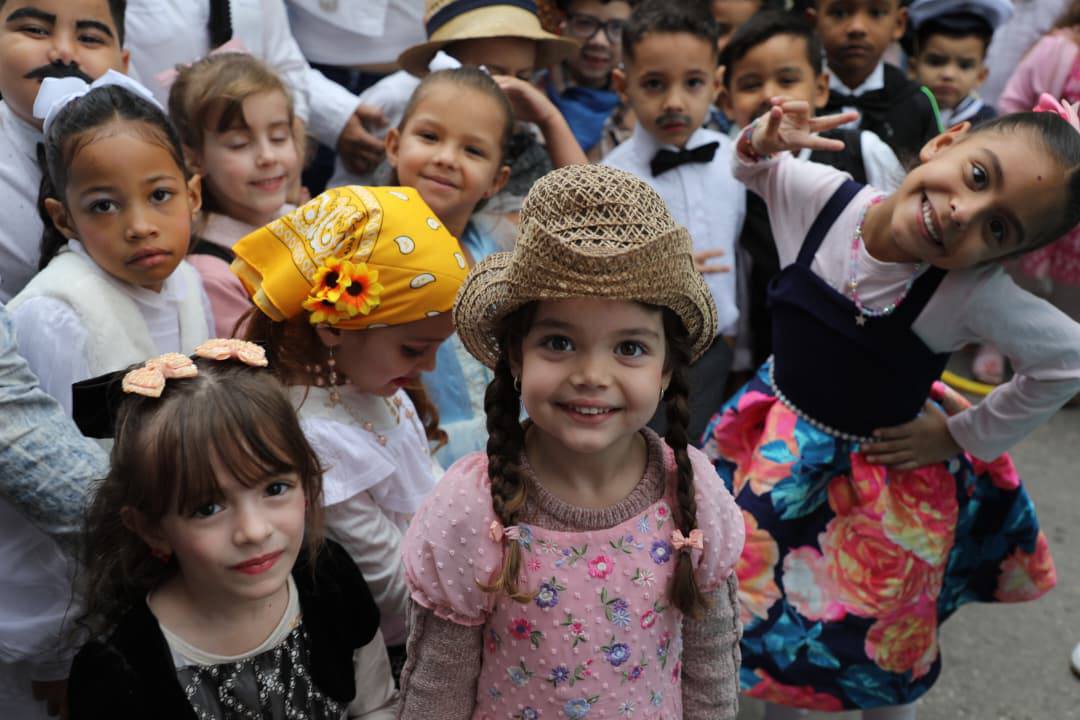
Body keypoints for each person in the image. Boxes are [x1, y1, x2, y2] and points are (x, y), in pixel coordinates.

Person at [701, 96, 1080, 717]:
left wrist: (961, 434)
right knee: (763, 614)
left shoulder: (970, 293)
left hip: (883, 491)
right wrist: (761, 139)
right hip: (774, 453)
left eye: (998, 228)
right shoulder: (824, 198)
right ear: (944, 142)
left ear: (1004, 257)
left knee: (880, 646)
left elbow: (1068, 360)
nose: (965, 211)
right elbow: (752, 170)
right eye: (978, 175)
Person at [398, 164, 746, 719]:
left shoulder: (692, 492)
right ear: (516, 356)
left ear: (665, 369)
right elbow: (437, 689)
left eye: (629, 348)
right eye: (559, 341)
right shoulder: (474, 506)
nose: (592, 374)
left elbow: (711, 675)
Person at [65, 344, 396, 718]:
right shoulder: (123, 672)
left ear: (305, 483)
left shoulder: (329, 577)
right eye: (208, 508)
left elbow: (376, 704)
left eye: (274, 489)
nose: (253, 531)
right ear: (151, 528)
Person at [235, 185, 469, 671]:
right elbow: (386, 578)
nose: (427, 366)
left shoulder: (376, 383)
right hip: (405, 646)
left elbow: (437, 491)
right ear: (335, 324)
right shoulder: (316, 435)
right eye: (413, 349)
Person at [8, 74, 212, 415]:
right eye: (104, 206)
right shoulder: (55, 317)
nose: (140, 227)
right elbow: (64, 455)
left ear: (192, 196)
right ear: (64, 219)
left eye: (159, 195)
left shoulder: (188, 283)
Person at [720, 10, 906, 370]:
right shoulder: (726, 172)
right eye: (750, 84)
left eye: (787, 79)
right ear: (726, 101)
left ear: (820, 88)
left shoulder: (862, 151)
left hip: (863, 338)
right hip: (767, 349)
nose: (771, 96)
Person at [603, 0, 744, 441]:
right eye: (654, 84)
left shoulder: (736, 162)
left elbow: (747, 254)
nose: (674, 102)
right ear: (622, 85)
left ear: (717, 84)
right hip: (644, 356)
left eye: (693, 83)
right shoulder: (612, 178)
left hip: (720, 351)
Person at [326, 0, 585, 217]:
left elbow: (592, 212)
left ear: (497, 179)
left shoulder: (524, 128)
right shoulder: (391, 101)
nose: (510, 89)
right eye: (491, 74)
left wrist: (551, 120)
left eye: (523, 77)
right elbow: (341, 200)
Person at [384, 67, 513, 467]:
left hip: (514, 447)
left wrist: (548, 117)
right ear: (393, 145)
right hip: (418, 456)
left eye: (473, 151)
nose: (446, 158)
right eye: (429, 137)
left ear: (496, 179)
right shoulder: (368, 249)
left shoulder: (497, 249)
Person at [122, 0, 387, 180]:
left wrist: (288, 164)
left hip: (259, 186)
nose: (269, 156)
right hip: (171, 166)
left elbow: (285, 61)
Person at [0, 0, 131, 303]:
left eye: (89, 38)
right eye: (35, 30)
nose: (64, 53)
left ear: (124, 64)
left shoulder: (153, 152)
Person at [168, 52, 303, 337]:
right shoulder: (211, 274)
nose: (267, 156)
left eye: (279, 137)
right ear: (195, 158)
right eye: (239, 144)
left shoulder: (305, 223)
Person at [981, 1, 1080, 386]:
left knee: (1073, 290)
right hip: (1045, 184)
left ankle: (1067, 357)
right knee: (1016, 266)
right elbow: (1012, 100)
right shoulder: (1058, 50)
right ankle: (995, 343)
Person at [813, 0, 941, 164]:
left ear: (898, 23)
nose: (857, 28)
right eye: (839, 13)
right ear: (814, 21)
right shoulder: (794, 92)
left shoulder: (915, 101)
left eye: (876, 13)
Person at [544, 0, 632, 160]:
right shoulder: (531, 93)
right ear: (561, 23)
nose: (600, 41)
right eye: (585, 23)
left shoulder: (639, 109)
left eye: (617, 28)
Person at [907, 0, 1013, 127]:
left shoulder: (986, 124)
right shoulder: (901, 110)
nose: (948, 74)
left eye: (965, 65)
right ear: (913, 68)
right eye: (935, 62)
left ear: (981, 76)